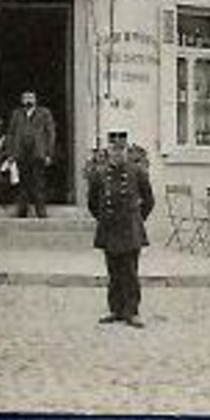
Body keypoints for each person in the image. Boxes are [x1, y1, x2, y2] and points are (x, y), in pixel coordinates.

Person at [87, 131, 154, 327]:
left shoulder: (137, 172)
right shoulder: (99, 174)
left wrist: (137, 220)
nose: (117, 153)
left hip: (130, 228)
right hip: (110, 228)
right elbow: (92, 203)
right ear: (109, 151)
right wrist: (104, 219)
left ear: (126, 151)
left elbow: (149, 200)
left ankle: (132, 311)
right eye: (114, 149)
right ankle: (116, 309)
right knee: (113, 272)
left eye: (121, 149)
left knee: (130, 272)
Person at [5, 90, 55, 218]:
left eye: (31, 97)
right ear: (22, 100)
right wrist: (10, 153)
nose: (28, 100)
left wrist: (49, 153)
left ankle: (41, 211)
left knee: (39, 182)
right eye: (26, 97)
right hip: (20, 153)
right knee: (22, 183)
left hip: (38, 152)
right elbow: (10, 134)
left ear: (35, 99)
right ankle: (22, 210)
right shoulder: (16, 114)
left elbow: (50, 134)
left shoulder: (44, 113)